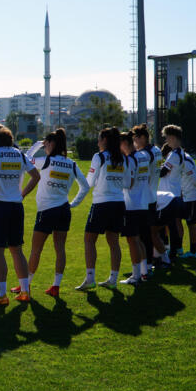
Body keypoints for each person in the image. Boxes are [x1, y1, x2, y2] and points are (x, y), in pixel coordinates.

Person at [21, 128, 89, 297]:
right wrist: (73, 204)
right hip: (64, 210)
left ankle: (26, 285)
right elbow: (85, 186)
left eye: (46, 145)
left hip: (47, 211)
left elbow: (25, 160)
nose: (44, 148)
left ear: (51, 143)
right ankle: (55, 286)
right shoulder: (72, 164)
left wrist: (36, 145)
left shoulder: (46, 160)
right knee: (60, 249)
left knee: (36, 250)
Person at [0, 124, 40, 304]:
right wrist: (22, 194)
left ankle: (1, 295)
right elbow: (36, 176)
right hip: (16, 206)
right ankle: (25, 291)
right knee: (17, 250)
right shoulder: (19, 154)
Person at [75, 127, 132, 291]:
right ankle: (113, 279)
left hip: (101, 204)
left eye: (99, 139)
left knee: (89, 240)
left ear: (105, 140)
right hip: (118, 203)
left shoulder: (99, 157)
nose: (97, 142)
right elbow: (128, 183)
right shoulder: (123, 158)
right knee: (114, 242)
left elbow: (89, 182)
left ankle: (90, 279)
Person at [119, 131, 151, 285]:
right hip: (143, 203)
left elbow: (129, 184)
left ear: (125, 143)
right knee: (139, 239)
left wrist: (116, 183)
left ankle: (135, 275)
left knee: (133, 240)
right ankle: (144, 272)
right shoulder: (143, 156)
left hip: (132, 205)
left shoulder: (130, 159)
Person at [132, 123, 162, 277]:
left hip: (146, 198)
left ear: (143, 137)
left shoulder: (145, 154)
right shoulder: (157, 150)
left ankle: (147, 266)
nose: (134, 142)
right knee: (150, 232)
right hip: (153, 195)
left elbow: (144, 176)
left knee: (144, 235)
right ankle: (156, 260)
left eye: (135, 138)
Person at [159, 125, 186, 260]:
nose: (166, 140)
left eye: (167, 137)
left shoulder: (174, 154)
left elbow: (162, 173)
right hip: (174, 192)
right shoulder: (180, 153)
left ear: (173, 137)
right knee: (172, 224)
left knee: (165, 224)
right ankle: (172, 251)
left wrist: (154, 168)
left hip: (168, 195)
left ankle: (170, 252)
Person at [180, 149, 196, 258]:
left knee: (191, 224)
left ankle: (193, 252)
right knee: (190, 223)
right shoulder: (184, 158)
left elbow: (195, 180)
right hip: (189, 196)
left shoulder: (185, 161)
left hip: (192, 197)